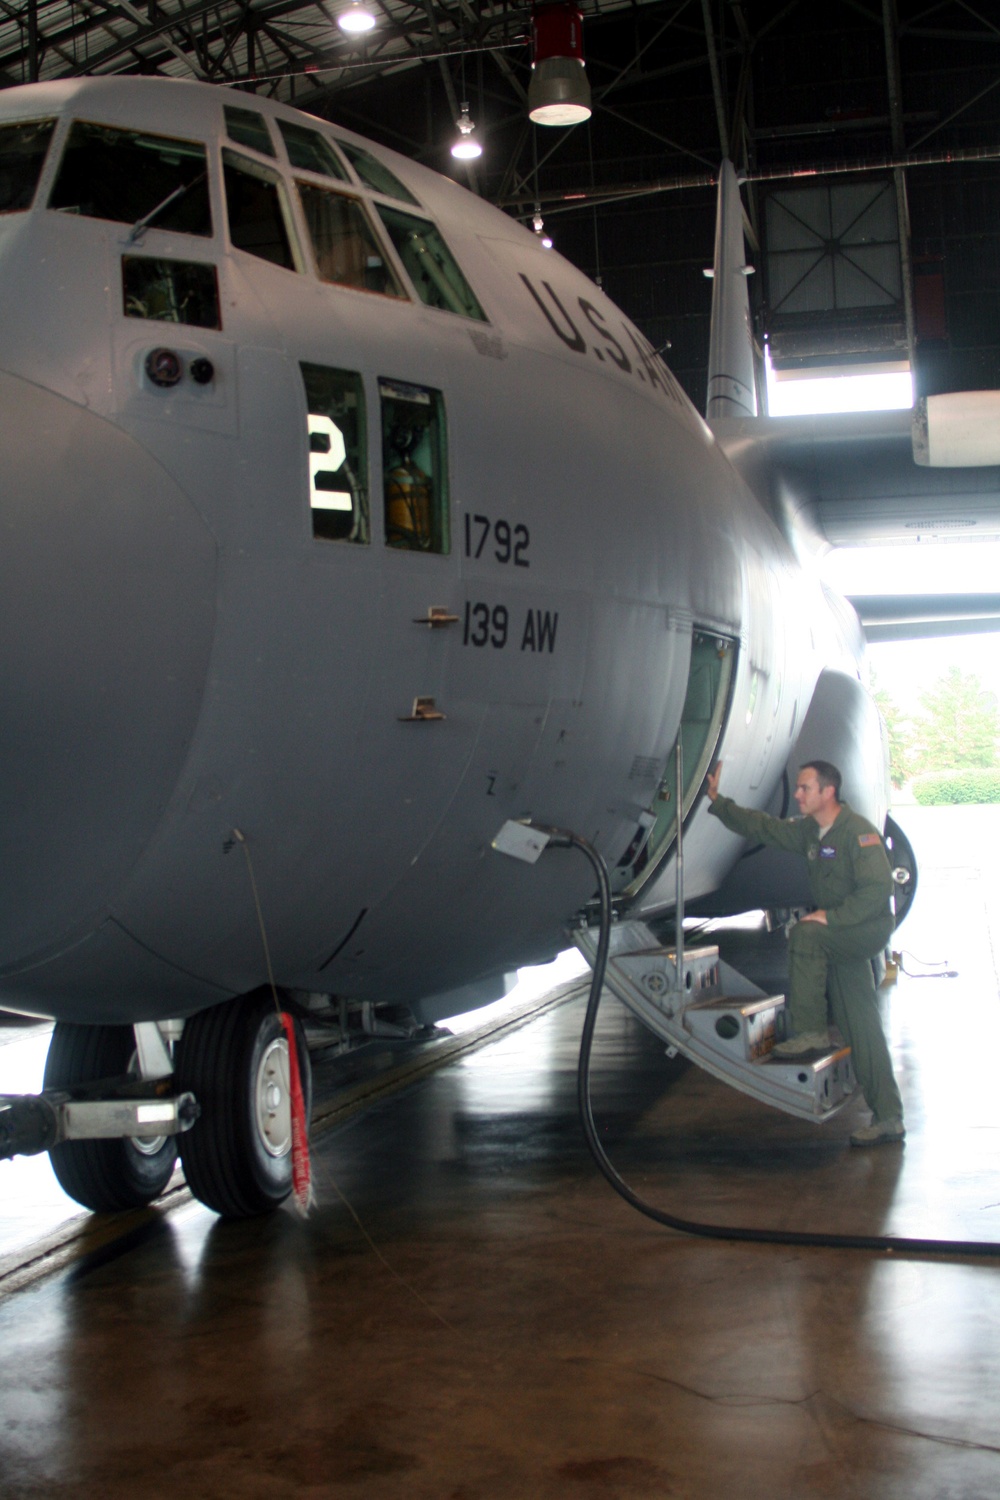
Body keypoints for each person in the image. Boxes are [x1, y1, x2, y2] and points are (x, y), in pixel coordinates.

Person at [705, 759, 905, 1148]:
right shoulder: (813, 833)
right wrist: (717, 800)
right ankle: (889, 1117)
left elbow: (876, 892)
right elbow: (765, 828)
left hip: (863, 930)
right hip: (842, 936)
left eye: (804, 788)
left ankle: (810, 1030)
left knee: (806, 935)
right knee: (861, 1026)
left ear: (828, 792)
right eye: (797, 788)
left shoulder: (858, 834)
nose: (797, 794)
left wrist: (829, 916)